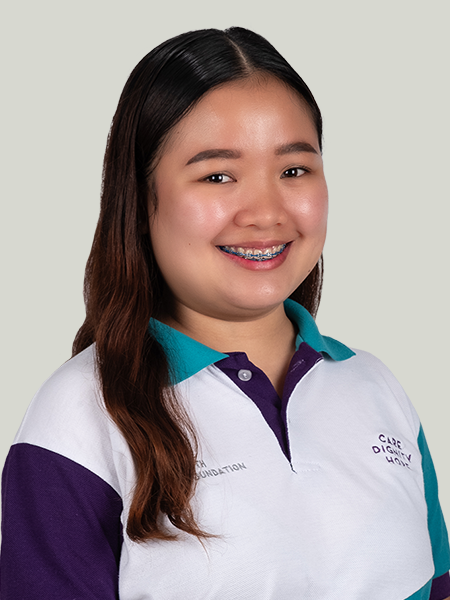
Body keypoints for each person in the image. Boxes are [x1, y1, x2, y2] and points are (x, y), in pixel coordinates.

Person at [1, 26, 449, 600]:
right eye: (217, 176)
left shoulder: (376, 387)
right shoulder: (80, 414)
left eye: (294, 170)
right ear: (139, 200)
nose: (265, 213)